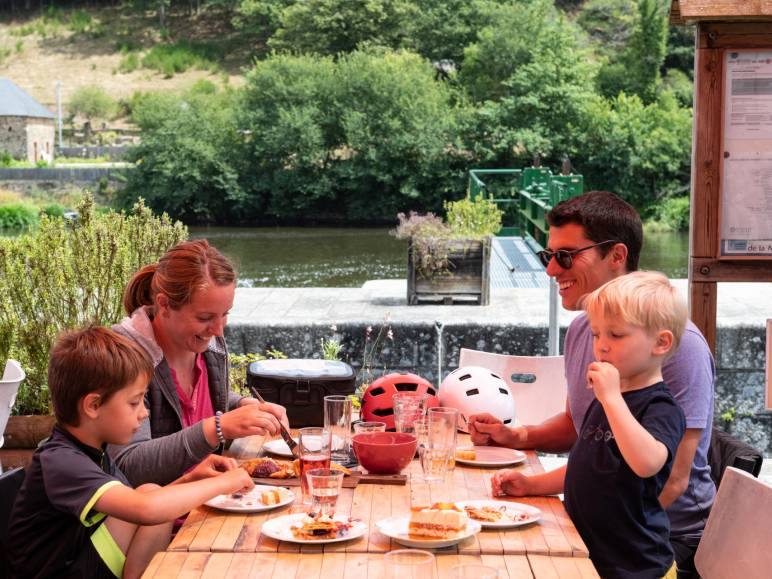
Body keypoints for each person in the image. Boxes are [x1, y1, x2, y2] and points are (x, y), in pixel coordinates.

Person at [470, 191, 715, 577]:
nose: (551, 270)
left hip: (658, 541)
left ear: (616, 256)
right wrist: (515, 437)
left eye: (565, 256)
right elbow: (582, 431)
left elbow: (674, 480)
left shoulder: (675, 347)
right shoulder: (587, 329)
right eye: (547, 256)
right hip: (594, 525)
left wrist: (584, 538)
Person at [8, 326, 254, 579]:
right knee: (150, 498)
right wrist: (224, 484)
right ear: (93, 405)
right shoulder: (61, 461)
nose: (143, 412)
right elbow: (145, 509)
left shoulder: (94, 451)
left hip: (79, 563)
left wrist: (191, 480)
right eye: (134, 402)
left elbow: (145, 504)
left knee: (151, 492)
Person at [526, 272, 684, 576]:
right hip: (590, 556)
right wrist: (531, 485)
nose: (602, 346)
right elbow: (586, 467)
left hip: (638, 567)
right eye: (597, 334)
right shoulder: (610, 399)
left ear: (661, 343)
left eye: (617, 335)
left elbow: (647, 463)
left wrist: (612, 399)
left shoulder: (660, 407)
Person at [110, 239, 289, 486]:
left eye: (225, 314)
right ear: (164, 305)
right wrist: (217, 428)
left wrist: (243, 404)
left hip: (212, 502)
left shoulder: (208, 348)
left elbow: (198, 404)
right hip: (160, 520)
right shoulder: (122, 358)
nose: (218, 330)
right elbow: (128, 466)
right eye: (205, 317)